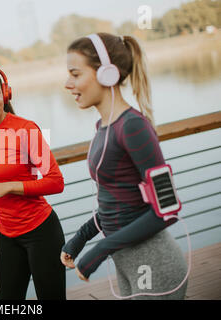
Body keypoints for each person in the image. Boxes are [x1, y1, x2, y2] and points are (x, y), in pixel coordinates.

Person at [61, 33, 188, 299]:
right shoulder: (103, 128)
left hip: (154, 262)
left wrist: (100, 250)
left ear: (106, 73)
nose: (67, 84)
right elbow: (120, 200)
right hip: (127, 263)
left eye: (75, 74)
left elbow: (167, 210)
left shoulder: (132, 126)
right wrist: (82, 237)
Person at [0, 65, 66, 300]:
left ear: (5, 94)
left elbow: (56, 182)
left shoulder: (25, 129)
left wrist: (9, 186)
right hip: (8, 235)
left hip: (42, 233)